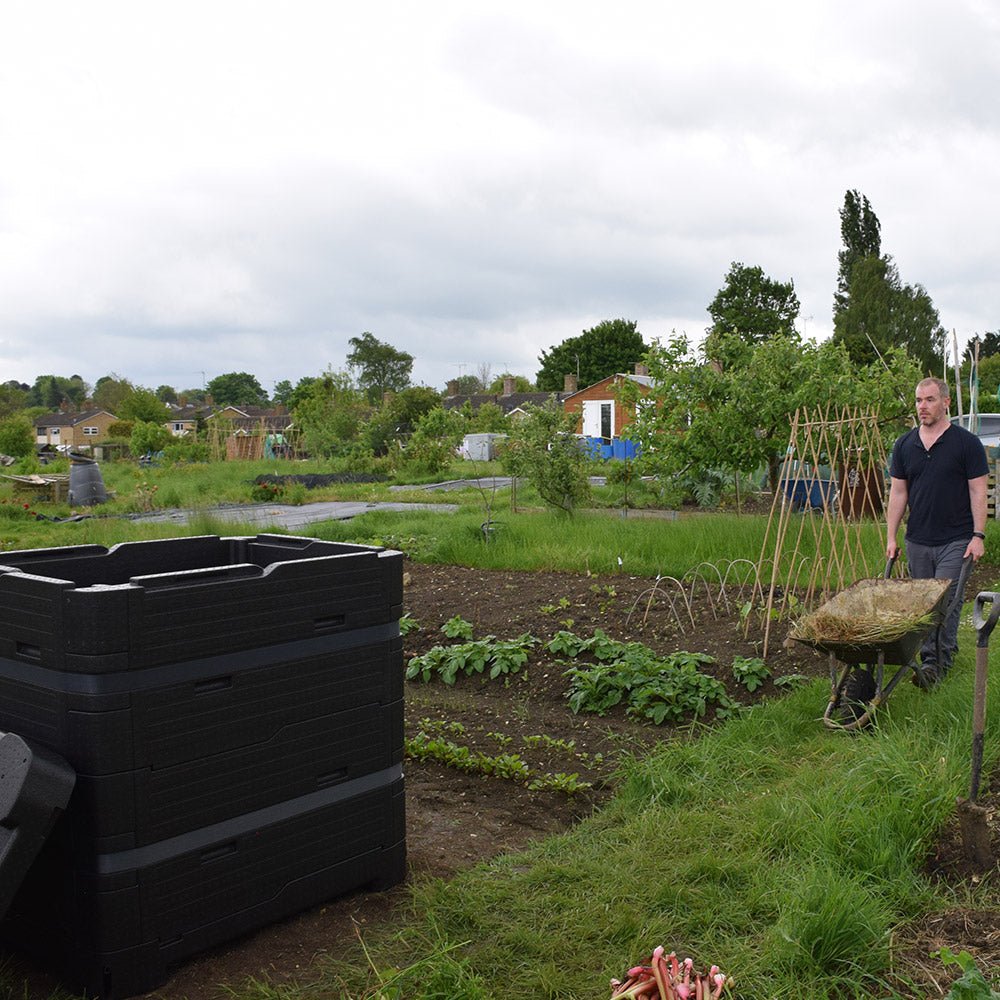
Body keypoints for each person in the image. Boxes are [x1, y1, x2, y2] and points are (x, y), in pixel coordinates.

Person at [885, 376, 988, 686]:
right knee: (923, 604)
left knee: (946, 603)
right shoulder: (905, 444)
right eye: (918, 400)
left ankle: (935, 664)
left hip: (956, 540)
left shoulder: (966, 443)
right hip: (917, 539)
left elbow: (978, 491)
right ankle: (932, 657)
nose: (922, 406)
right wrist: (891, 537)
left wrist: (978, 535)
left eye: (929, 400)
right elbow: (898, 493)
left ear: (945, 402)